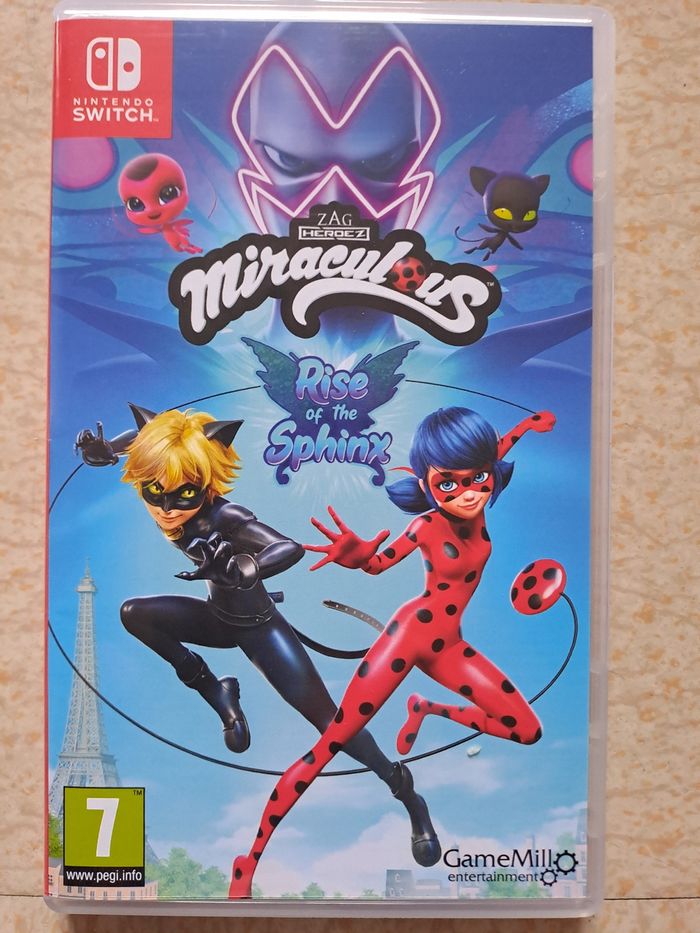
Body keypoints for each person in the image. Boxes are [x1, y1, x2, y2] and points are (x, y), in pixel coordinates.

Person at [75, 404, 440, 867]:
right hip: (216, 618)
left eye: (184, 495)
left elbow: (287, 547)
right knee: (135, 614)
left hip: (261, 628)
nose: (167, 509)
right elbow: (149, 442)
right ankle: (219, 692)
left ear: (204, 483)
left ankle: (408, 796)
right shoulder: (165, 472)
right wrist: (110, 450)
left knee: (332, 724)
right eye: (154, 493)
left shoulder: (226, 516)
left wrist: (247, 567)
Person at [228, 405, 555, 898]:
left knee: (527, 730)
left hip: (449, 645)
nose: (468, 493)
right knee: (331, 743)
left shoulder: (480, 487)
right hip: (409, 635)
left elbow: (494, 451)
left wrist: (527, 426)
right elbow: (379, 564)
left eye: (478, 480)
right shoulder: (425, 527)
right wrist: (359, 556)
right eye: (448, 484)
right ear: (426, 484)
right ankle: (248, 861)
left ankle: (428, 708)